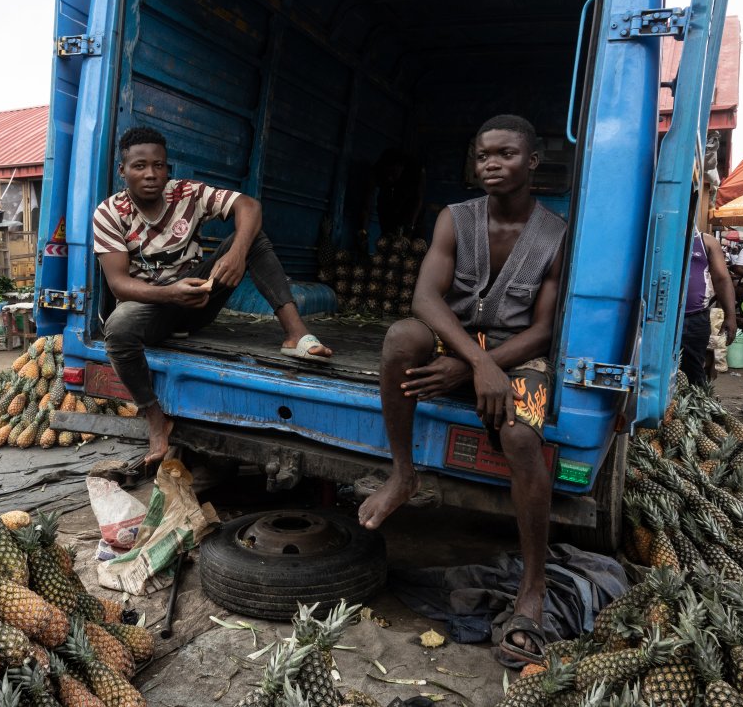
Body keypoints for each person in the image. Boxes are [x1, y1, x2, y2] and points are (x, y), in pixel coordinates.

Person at [357, 115, 566, 668]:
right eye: (482, 156)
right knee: (403, 337)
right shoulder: (455, 217)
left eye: (506, 154)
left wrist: (487, 366)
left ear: (533, 163)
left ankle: (534, 587)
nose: (491, 165)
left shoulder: (556, 234)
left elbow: (543, 329)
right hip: (460, 343)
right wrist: (470, 364)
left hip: (520, 353)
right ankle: (403, 473)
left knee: (521, 440)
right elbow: (425, 300)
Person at [93, 126, 333, 464]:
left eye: (158, 166)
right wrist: (170, 294)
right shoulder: (109, 214)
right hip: (153, 309)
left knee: (253, 239)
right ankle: (155, 419)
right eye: (139, 166)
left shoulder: (186, 194)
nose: (150, 174)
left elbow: (248, 205)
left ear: (167, 169)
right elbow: (118, 284)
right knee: (117, 329)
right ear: (123, 171)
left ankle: (297, 334)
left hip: (198, 300)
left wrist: (236, 252)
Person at [681, 231, 736, 385]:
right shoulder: (656, 234)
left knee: (694, 373)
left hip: (694, 318)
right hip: (657, 318)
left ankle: (693, 407)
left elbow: (722, 279)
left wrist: (731, 316)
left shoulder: (706, 241)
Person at [356, 148, 426, 246]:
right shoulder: (377, 171)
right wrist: (363, 233)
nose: (389, 178)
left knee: (415, 245)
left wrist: (410, 227)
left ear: (401, 167)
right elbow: (366, 205)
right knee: (387, 240)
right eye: (387, 173)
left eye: (393, 173)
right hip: (388, 204)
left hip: (411, 208)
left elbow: (418, 200)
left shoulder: (416, 170)